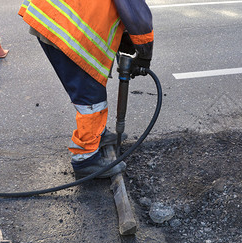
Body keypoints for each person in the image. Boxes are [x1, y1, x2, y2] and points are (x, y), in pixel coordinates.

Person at [18, 0, 153, 178]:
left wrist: (125, 36)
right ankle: (86, 159)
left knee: (89, 88)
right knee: (91, 95)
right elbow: (135, 13)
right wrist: (144, 53)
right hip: (66, 26)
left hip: (53, 17)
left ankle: (97, 134)